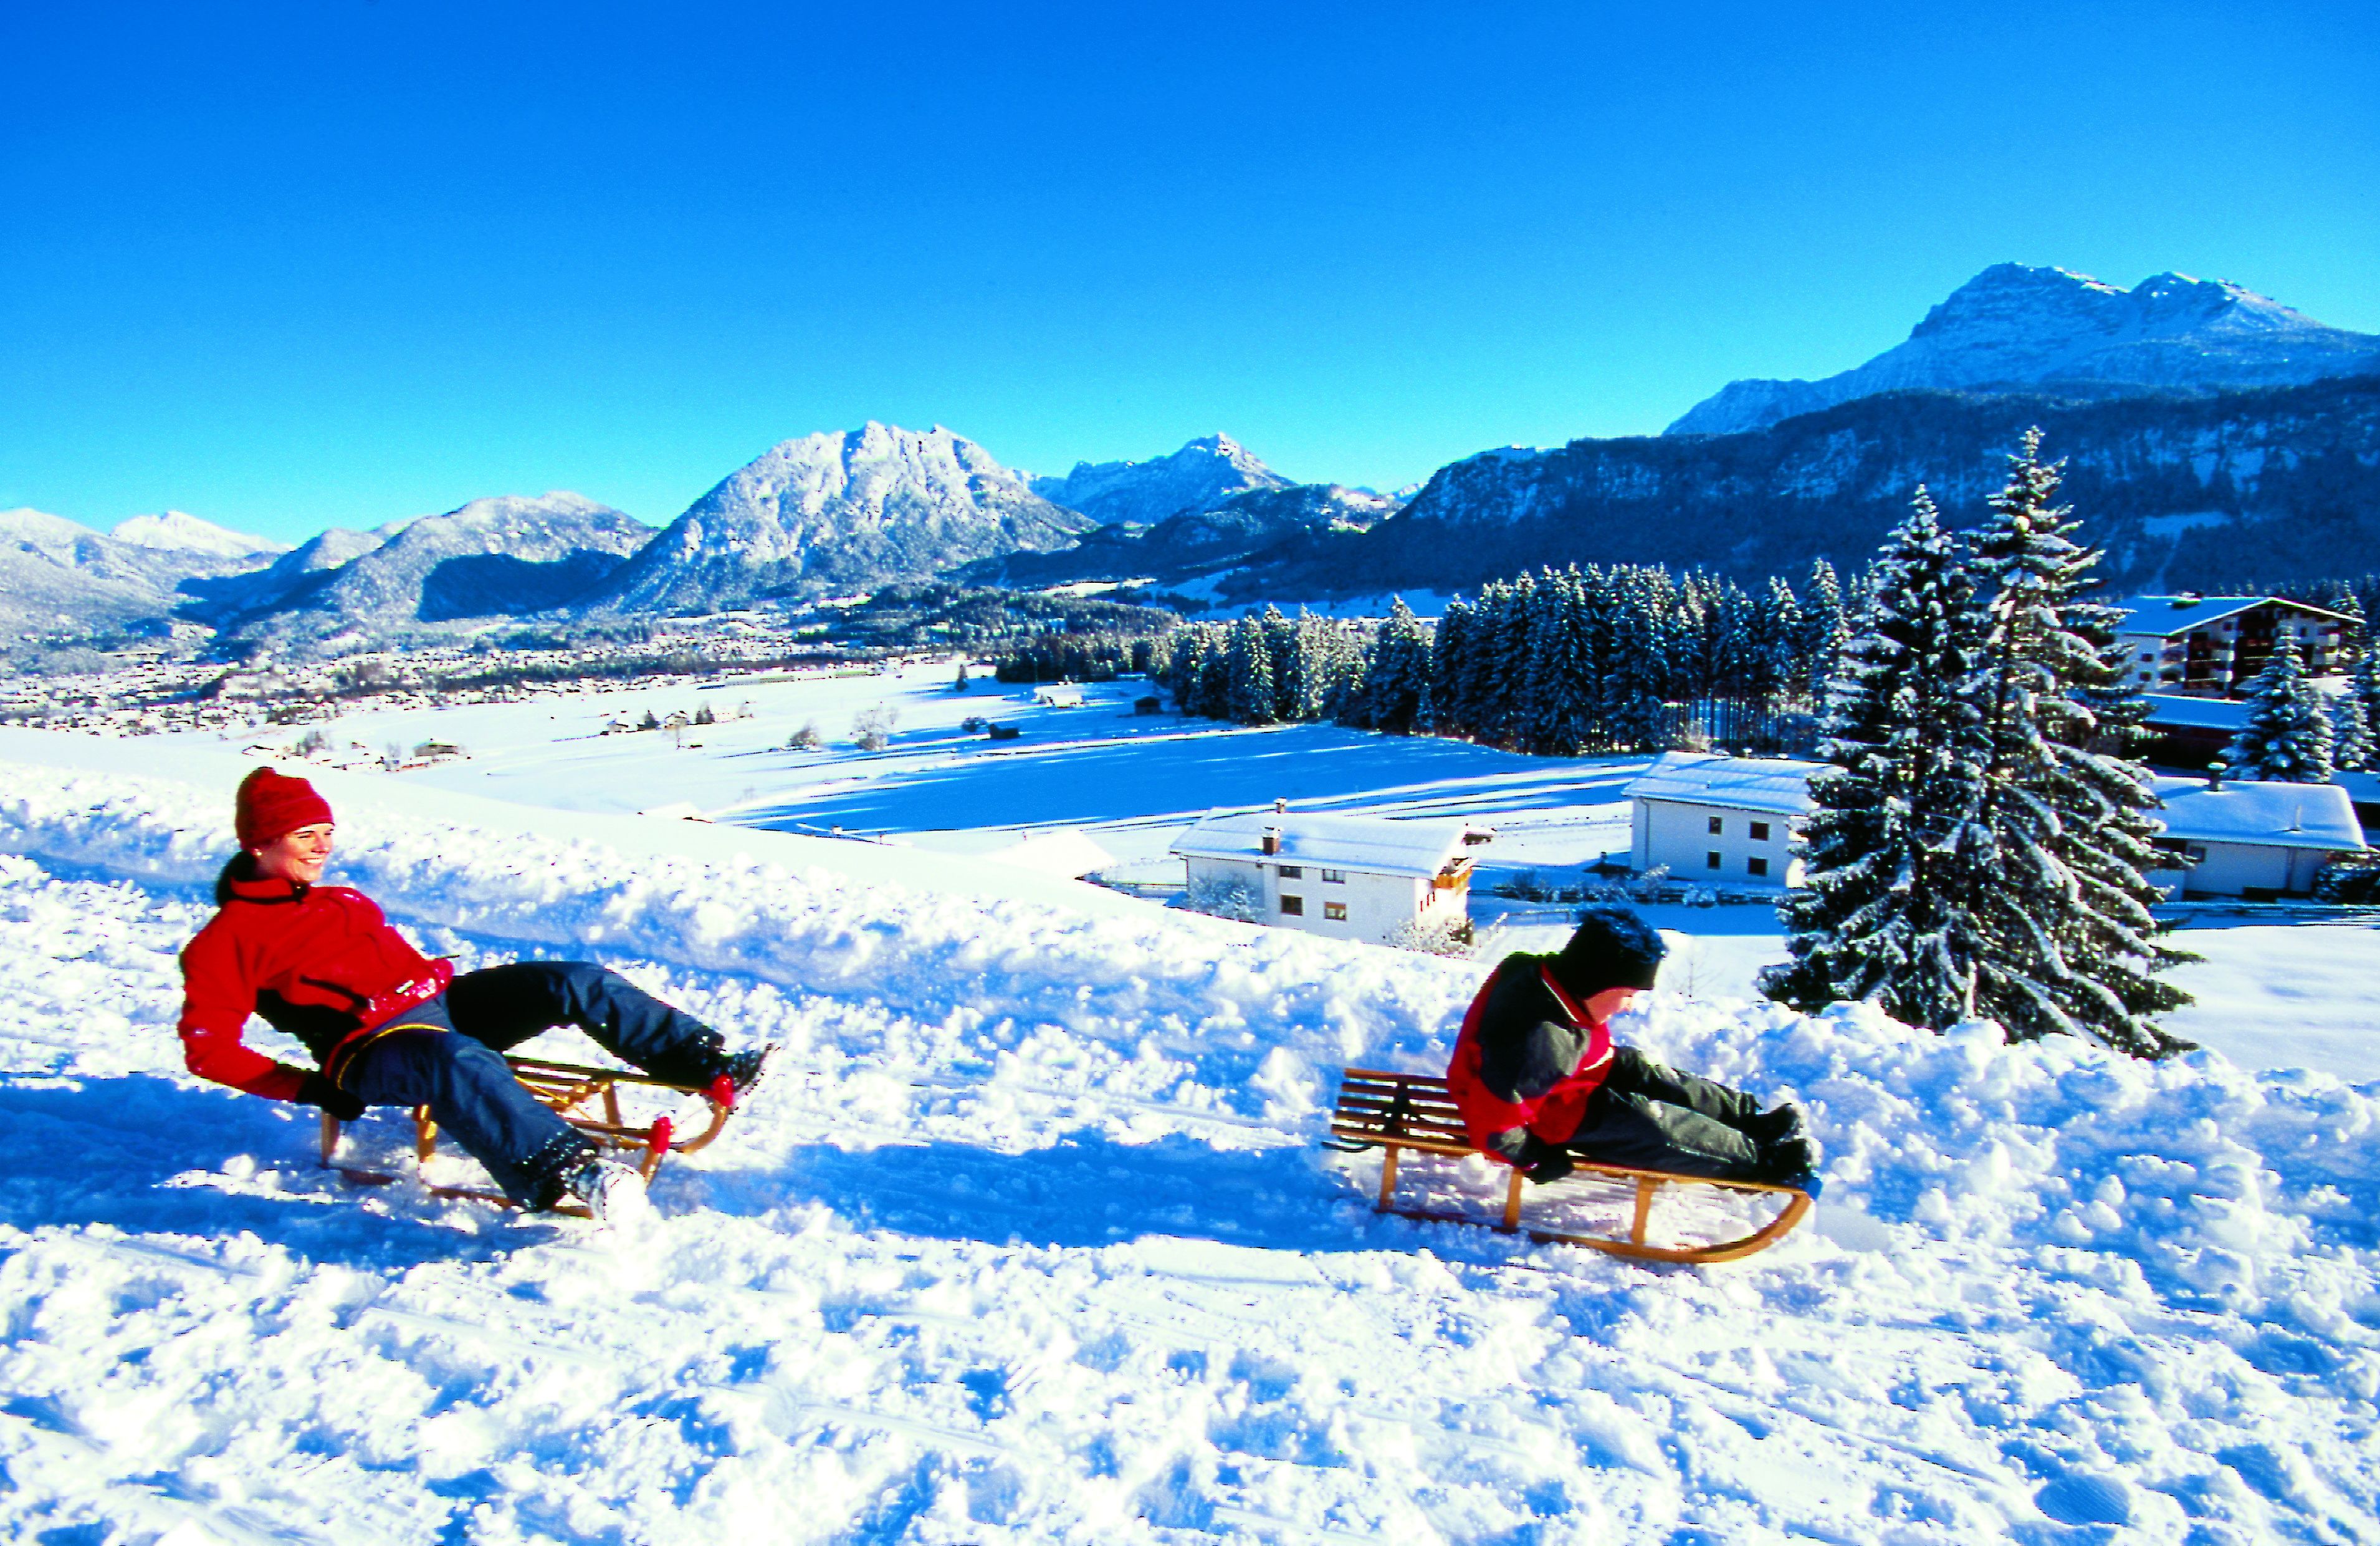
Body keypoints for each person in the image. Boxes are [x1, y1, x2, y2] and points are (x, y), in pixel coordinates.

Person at [177, 767, 767, 1219]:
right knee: (453, 1058)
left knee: (570, 979)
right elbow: (208, 1050)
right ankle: (572, 1171)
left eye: (327, 832)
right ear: (258, 844)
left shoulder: (341, 900)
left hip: (440, 1008)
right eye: (304, 835)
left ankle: (701, 1063)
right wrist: (308, 1088)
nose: (321, 847)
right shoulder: (224, 941)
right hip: (371, 1048)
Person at [1446, 906, 1819, 1190]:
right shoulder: (1537, 1043)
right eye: (1626, 995)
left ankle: (1748, 1119)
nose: (1630, 1006)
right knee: (1652, 1124)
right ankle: (1762, 1163)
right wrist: (1533, 1159)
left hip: (1576, 1072)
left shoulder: (1545, 977)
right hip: (1549, 1110)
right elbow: (1494, 1126)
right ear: (1594, 983)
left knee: (1647, 1072)